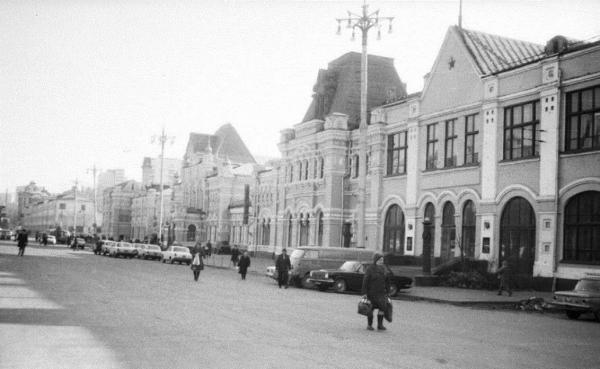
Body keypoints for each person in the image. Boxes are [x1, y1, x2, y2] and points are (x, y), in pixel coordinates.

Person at [361, 253, 391, 331]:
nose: (381, 261)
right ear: (376, 260)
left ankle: (380, 325)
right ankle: (369, 325)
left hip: (382, 293)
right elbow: (365, 281)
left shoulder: (385, 269)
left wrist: (388, 291)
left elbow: (388, 281)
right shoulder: (370, 269)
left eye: (382, 260)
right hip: (371, 293)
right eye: (380, 260)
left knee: (382, 308)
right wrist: (364, 293)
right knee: (370, 309)